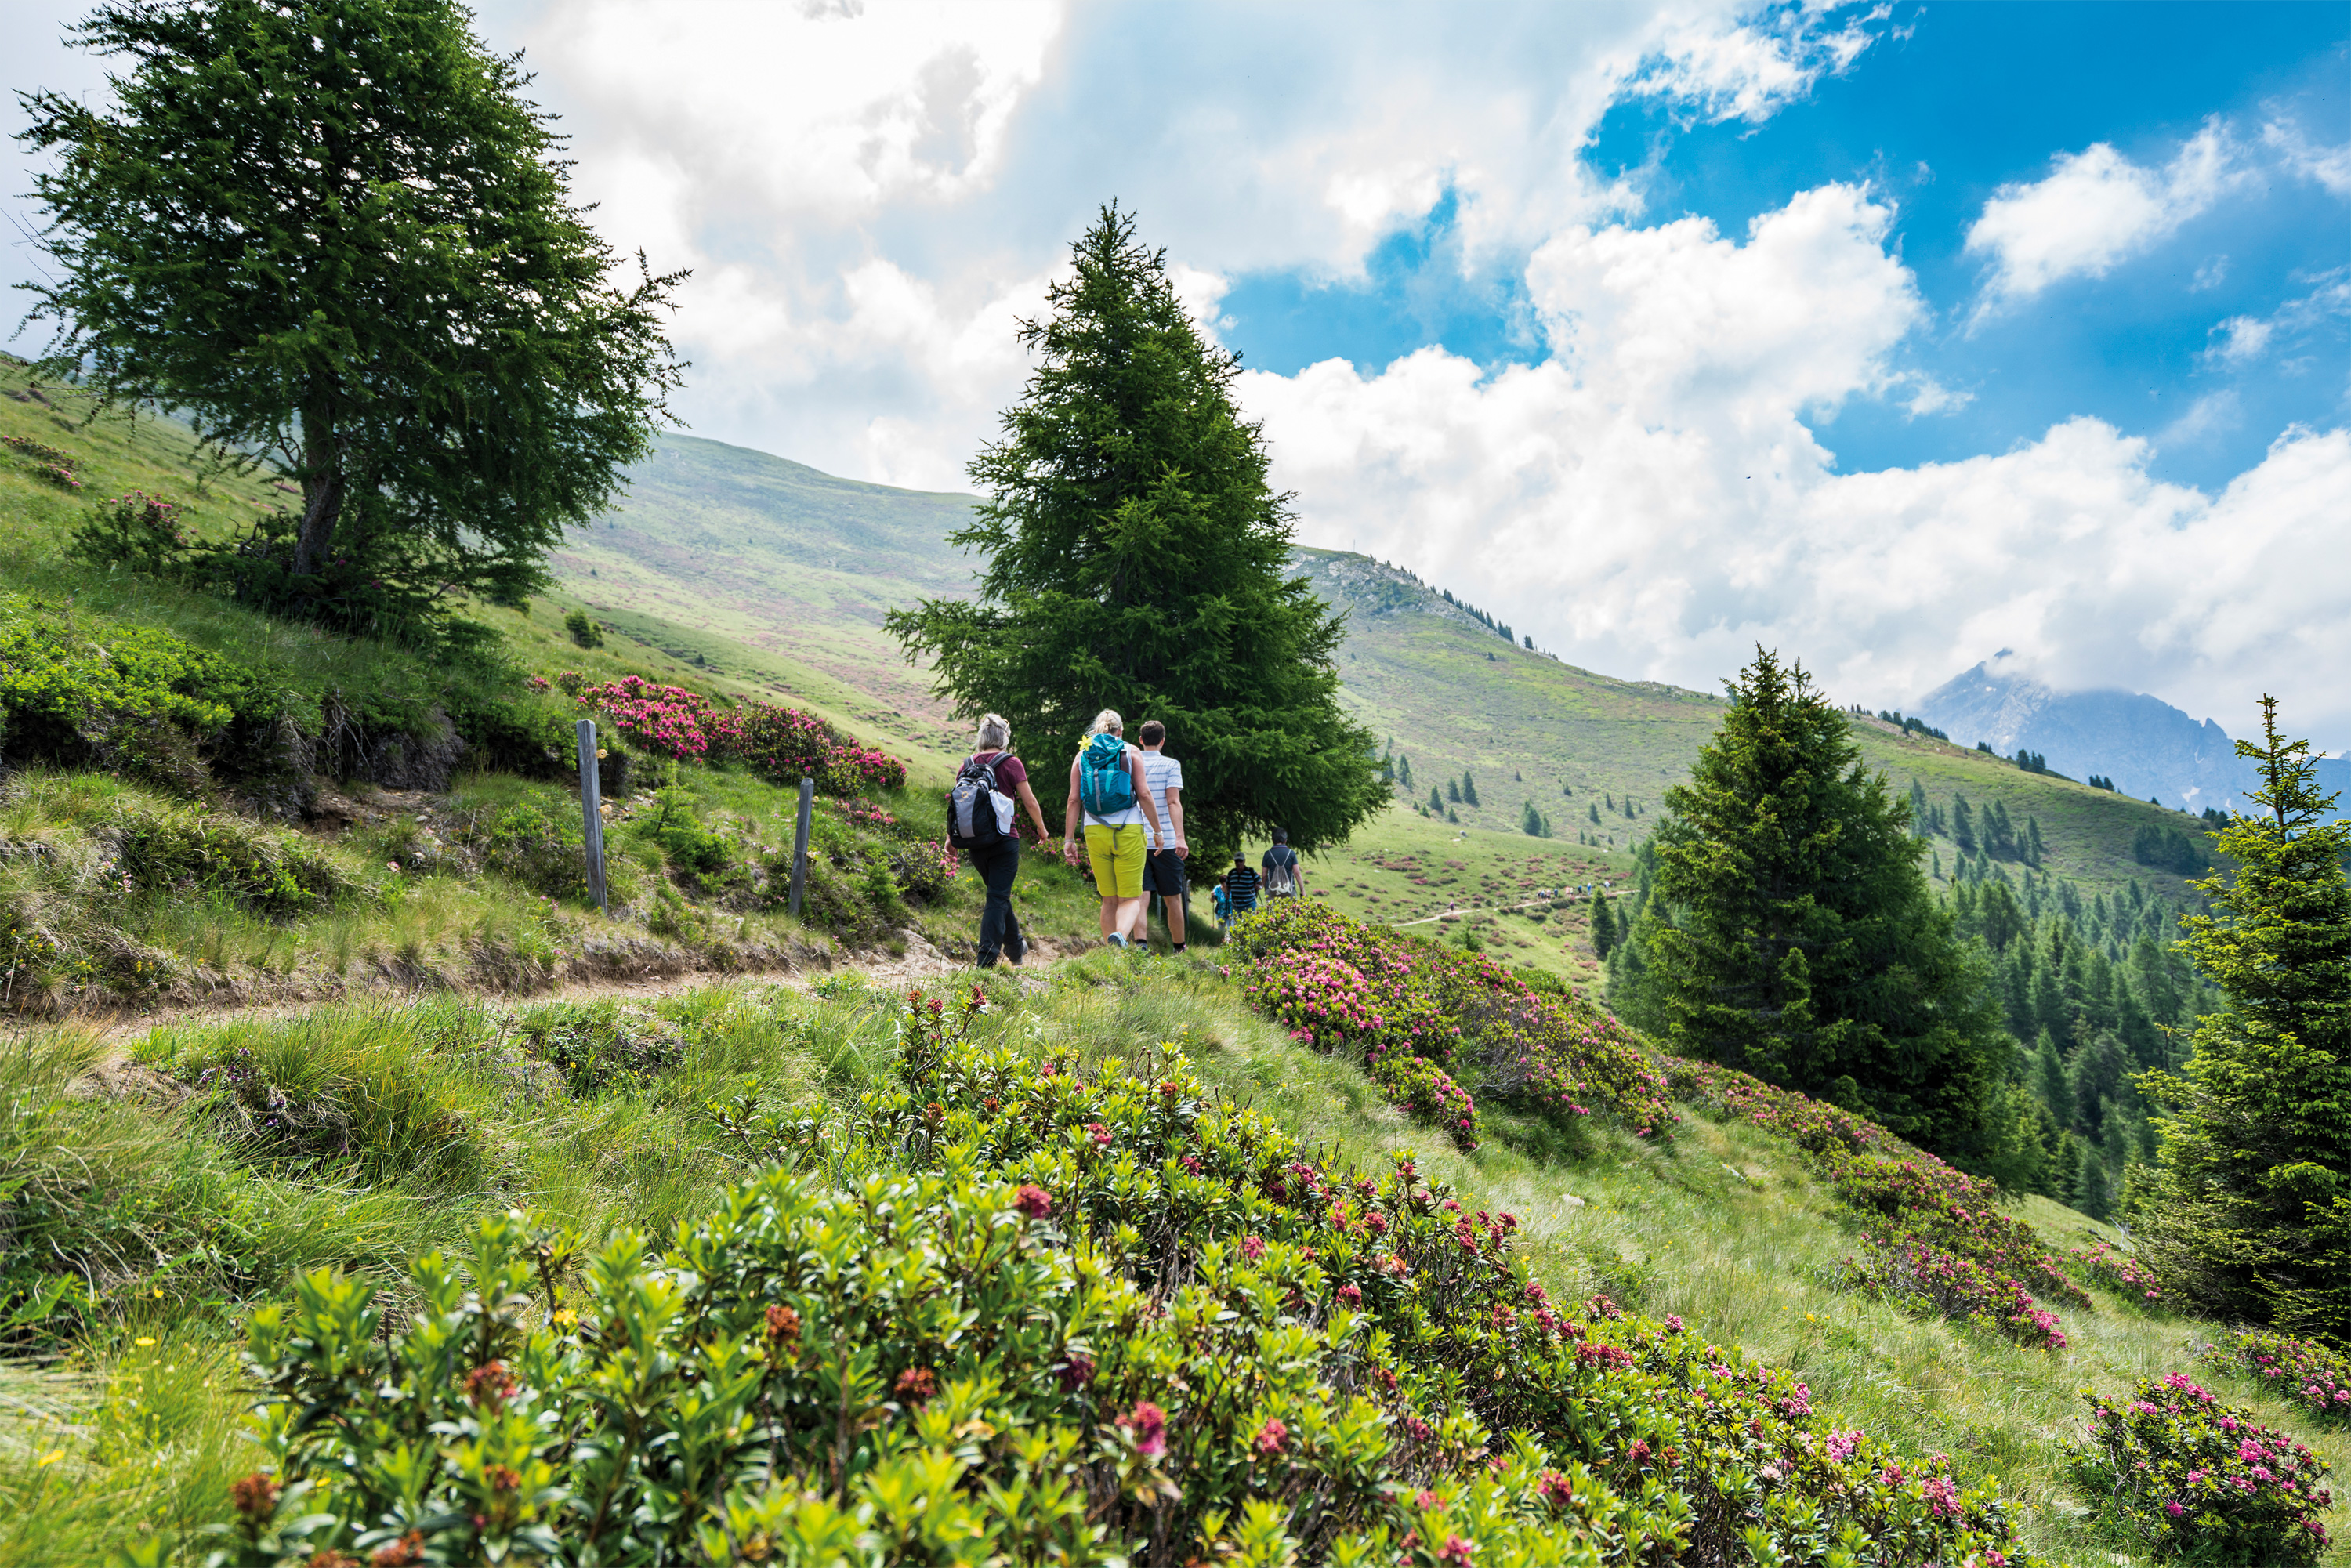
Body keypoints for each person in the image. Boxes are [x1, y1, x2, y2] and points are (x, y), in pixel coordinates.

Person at [1063, 709, 1165, 950]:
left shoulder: (1082, 755)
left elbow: (1073, 800)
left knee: (1109, 900)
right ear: (1120, 731)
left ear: (1097, 730)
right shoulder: (1130, 751)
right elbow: (1144, 794)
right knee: (1131, 898)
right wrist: (1157, 832)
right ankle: (1120, 935)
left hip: (1095, 831)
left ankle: (1112, 956)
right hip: (1128, 829)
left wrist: (1069, 839)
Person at [961, 713, 1054, 968]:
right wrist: (1042, 829)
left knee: (998, 894)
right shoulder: (1011, 763)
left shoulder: (967, 763)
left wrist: (950, 838)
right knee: (997, 897)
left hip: (975, 842)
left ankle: (1015, 948)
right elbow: (1030, 801)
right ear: (1003, 739)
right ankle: (986, 962)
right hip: (1004, 841)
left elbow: (958, 803)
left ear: (982, 738)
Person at [1136, 719, 1189, 953]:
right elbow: (1173, 801)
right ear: (1162, 741)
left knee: (1140, 896)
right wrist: (1180, 837)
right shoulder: (1171, 765)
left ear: (1140, 740)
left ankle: (1140, 946)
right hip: (1166, 840)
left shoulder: (1131, 762)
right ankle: (1180, 948)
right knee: (1173, 898)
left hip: (1137, 838)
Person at [1261, 828, 1306, 899]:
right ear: (1285, 840)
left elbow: (1264, 875)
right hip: (1289, 891)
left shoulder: (1267, 854)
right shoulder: (1291, 854)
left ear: (1272, 840)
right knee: (1289, 909)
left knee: (1273, 910)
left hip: (1272, 891)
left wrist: (1265, 889)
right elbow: (1297, 873)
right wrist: (1303, 891)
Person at [1222, 853, 1260, 918]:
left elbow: (1260, 883)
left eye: (1240, 861)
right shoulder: (1231, 873)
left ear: (1244, 861)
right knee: (1238, 926)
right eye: (1237, 861)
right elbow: (1227, 886)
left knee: (1249, 925)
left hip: (1249, 905)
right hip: (1236, 906)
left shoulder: (1251, 872)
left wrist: (1259, 887)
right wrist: (1227, 893)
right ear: (1235, 862)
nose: (1239, 863)